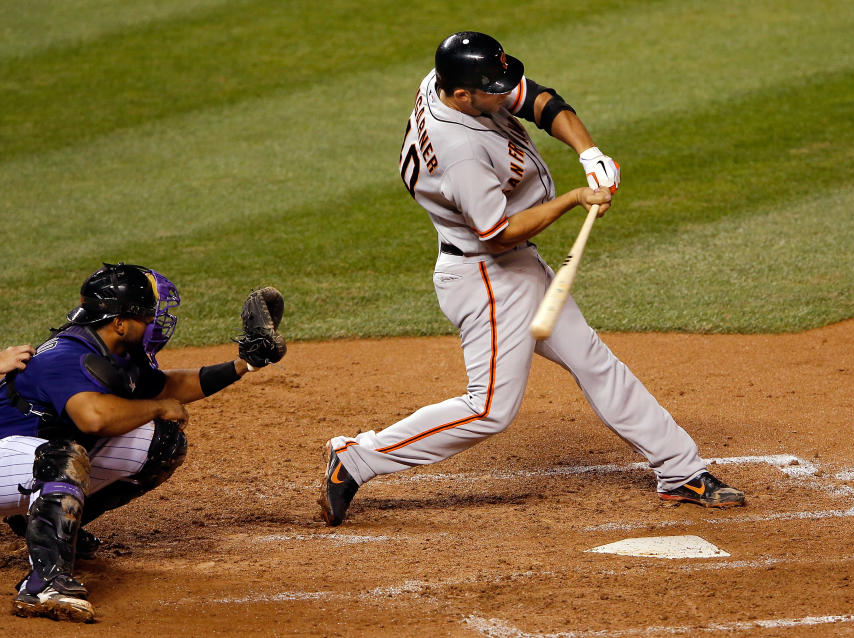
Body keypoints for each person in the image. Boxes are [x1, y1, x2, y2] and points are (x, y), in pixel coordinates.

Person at [318, 31, 745, 528]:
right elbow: (497, 234)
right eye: (494, 90)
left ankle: (679, 470)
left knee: (592, 359)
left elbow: (538, 99)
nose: (507, 94)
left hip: (512, 265)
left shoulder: (450, 82)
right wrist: (572, 199)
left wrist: (589, 153)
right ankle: (357, 458)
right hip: (487, 275)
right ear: (462, 96)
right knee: (490, 409)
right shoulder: (459, 149)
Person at [0, 263, 267, 622]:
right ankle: (42, 586)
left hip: (24, 462)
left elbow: (169, 386)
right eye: (147, 315)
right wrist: (155, 407)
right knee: (65, 455)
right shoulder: (67, 357)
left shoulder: (115, 352)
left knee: (160, 443)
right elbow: (93, 417)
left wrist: (244, 365)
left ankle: (52, 529)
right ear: (119, 322)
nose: (155, 323)